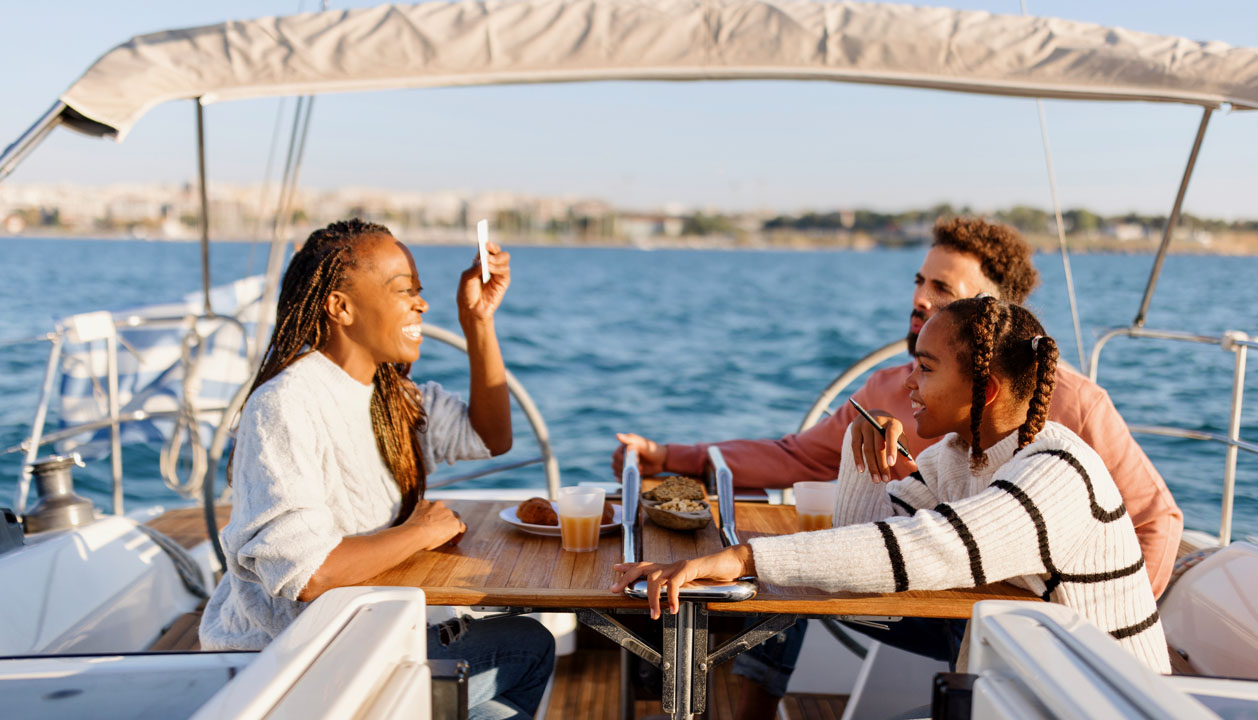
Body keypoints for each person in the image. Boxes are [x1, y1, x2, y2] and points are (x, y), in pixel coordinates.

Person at [611, 299, 1172, 681]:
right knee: (825, 610)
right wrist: (863, 446)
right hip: (1033, 678)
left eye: (925, 369)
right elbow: (863, 542)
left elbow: (923, 548)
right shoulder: (958, 457)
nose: (908, 385)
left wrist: (741, 558)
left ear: (987, 388)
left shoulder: (1057, 470)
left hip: (1111, 695)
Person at [199, 219, 553, 720]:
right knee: (528, 645)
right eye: (403, 291)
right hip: (292, 659)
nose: (420, 304)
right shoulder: (285, 404)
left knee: (514, 654)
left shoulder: (392, 396)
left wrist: (477, 321)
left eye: (420, 292)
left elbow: (489, 436)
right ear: (340, 306)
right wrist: (418, 532)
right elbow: (312, 575)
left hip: (358, 631)